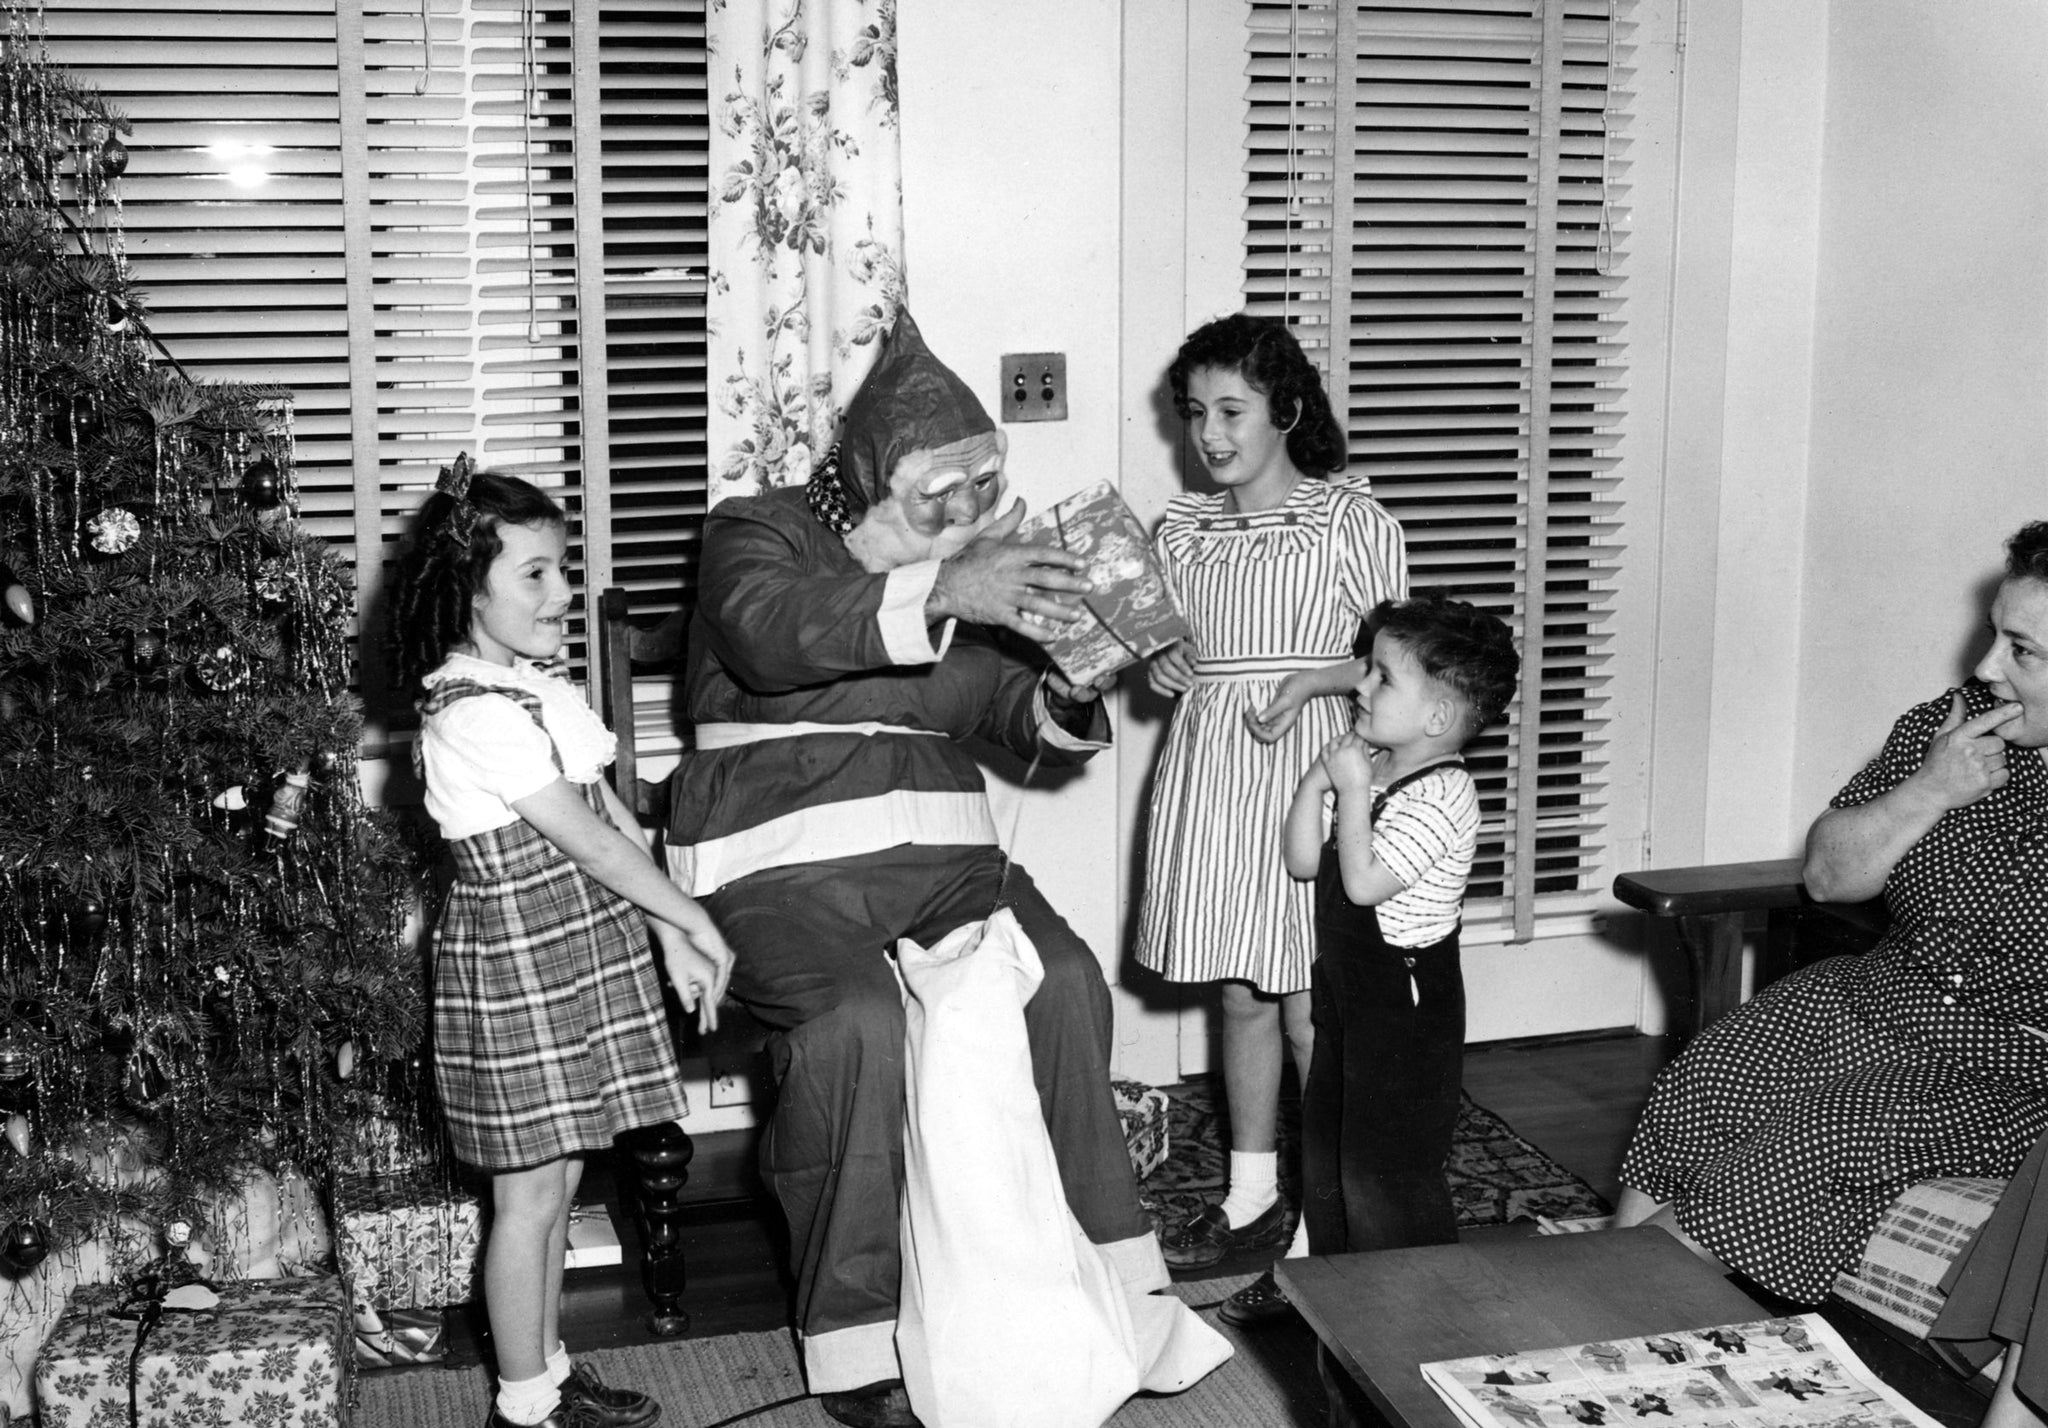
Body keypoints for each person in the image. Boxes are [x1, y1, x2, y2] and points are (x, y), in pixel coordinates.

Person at [664, 309, 1174, 1428]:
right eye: (942, 483)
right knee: (853, 1022)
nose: (966, 508)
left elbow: (1011, 717)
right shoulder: (755, 529)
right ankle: (853, 1343)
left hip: (943, 855)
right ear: (872, 472)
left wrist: (1084, 666)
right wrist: (947, 590)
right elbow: (765, 632)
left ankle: (1108, 1290)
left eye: (983, 481)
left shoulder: (973, 567)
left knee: (1066, 982)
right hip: (778, 856)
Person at [1614, 520, 2048, 1307]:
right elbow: (1825, 877)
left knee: (1814, 1135)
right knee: (1710, 1074)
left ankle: (1610, 1314)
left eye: (2022, 651)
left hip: (2008, 1067)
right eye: (1993, 636)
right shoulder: (1944, 729)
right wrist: (1929, 791)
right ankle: (1587, 1304)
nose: (1985, 667)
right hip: (1878, 994)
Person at [389, 459, 736, 1428]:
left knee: (565, 1173)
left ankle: (546, 1366)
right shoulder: (466, 713)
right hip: (515, 973)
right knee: (528, 1195)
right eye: (533, 574)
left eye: (562, 568)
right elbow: (579, 839)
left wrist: (673, 927)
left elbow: (614, 819)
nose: (561, 591)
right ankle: (523, 1406)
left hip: (579, 957)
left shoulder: (539, 692)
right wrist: (691, 915)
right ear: (470, 590)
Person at [1133, 313, 1407, 1319]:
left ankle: (1317, 1217)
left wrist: (1312, 680)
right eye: (1195, 412)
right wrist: (1160, 663)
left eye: (1231, 411)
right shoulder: (1180, 528)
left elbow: (1397, 656)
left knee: (1306, 1001)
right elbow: (1168, 657)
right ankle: (1248, 1192)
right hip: (1212, 769)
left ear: (1284, 410)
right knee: (1242, 989)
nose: (1210, 433)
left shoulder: (1346, 519)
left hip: (1309, 764)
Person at [1256, 593, 1516, 1324]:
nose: (1360, 687)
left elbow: (1365, 882)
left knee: (1387, 1172)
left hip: (1405, 1011)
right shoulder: (1376, 771)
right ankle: (1346, 1306)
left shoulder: (1445, 795)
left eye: (1382, 678)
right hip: (1349, 997)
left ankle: (1422, 1315)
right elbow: (1306, 862)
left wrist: (1354, 789)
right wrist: (1319, 781)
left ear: (1437, 719)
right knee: (1330, 1153)